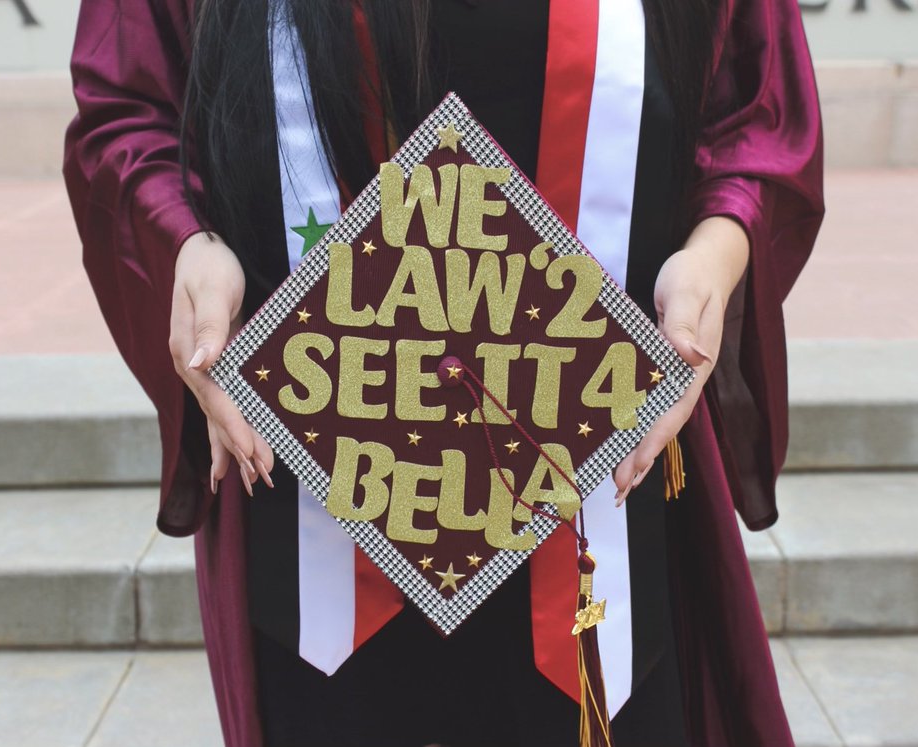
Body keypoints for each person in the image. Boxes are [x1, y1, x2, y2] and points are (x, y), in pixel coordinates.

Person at [63, 0, 824, 745]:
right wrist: (184, 243)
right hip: (316, 497)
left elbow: (754, 116)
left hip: (602, 488)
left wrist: (715, 258)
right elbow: (129, 107)